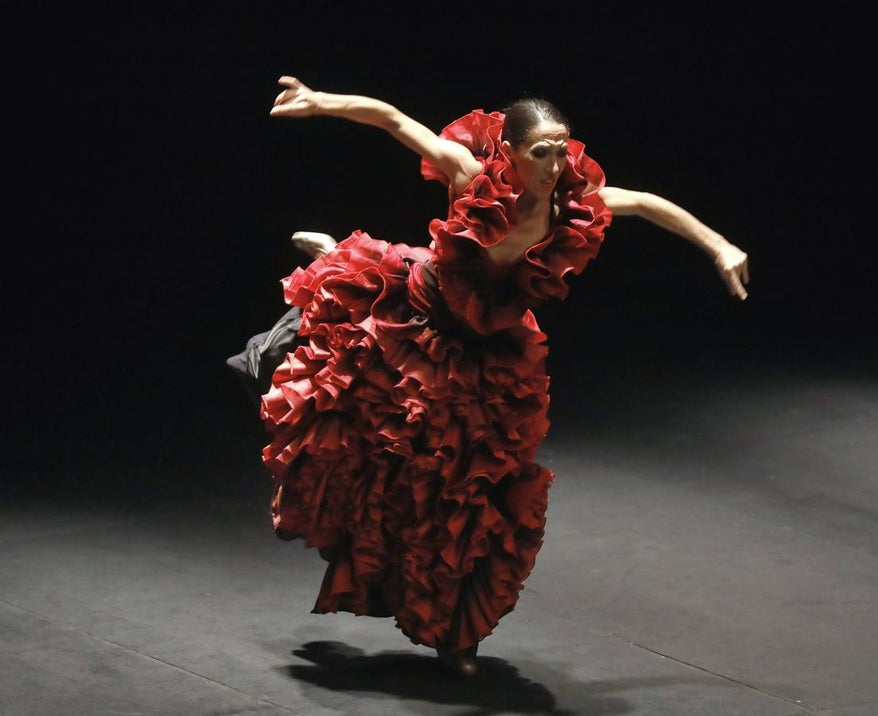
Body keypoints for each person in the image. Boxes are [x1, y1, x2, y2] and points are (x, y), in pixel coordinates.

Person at [248, 75, 750, 677]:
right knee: (345, 396)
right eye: (541, 152)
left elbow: (644, 203)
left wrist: (718, 245)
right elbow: (393, 119)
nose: (554, 165)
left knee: (469, 490)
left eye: (561, 151)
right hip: (418, 313)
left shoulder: (570, 205)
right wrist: (320, 102)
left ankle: (454, 630)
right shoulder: (470, 176)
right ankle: (332, 257)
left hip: (485, 350)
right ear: (509, 151)